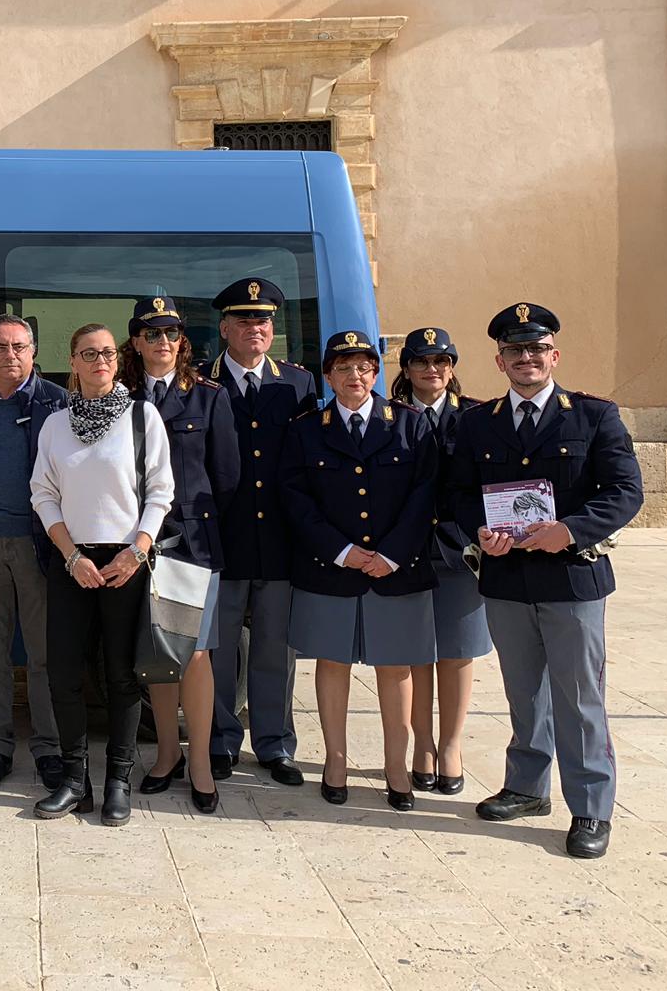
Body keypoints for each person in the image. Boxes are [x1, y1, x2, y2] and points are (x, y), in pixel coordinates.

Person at [452, 303, 643, 859]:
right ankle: (527, 788)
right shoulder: (477, 423)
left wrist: (571, 530)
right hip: (507, 579)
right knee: (524, 691)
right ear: (500, 361)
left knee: (579, 697)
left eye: (536, 349)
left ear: (554, 356)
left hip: (571, 579)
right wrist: (480, 528)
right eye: (515, 350)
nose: (526, 358)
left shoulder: (593, 416)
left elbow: (625, 491)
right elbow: (458, 492)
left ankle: (591, 807)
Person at [281, 330, 439, 809]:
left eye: (364, 367)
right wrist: (342, 550)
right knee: (333, 663)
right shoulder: (307, 429)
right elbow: (296, 500)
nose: (355, 375)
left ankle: (396, 766)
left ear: (376, 373)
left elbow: (425, 495)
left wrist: (391, 554)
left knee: (396, 666)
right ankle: (335, 760)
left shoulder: (410, 425)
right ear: (328, 377)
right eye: (344, 367)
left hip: (397, 569)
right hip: (331, 568)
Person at [31, 324, 173, 826]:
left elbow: (160, 492)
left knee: (122, 676)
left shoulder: (142, 416)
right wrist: (71, 556)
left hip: (125, 563)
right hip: (73, 562)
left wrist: (136, 552)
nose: (100, 362)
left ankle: (118, 780)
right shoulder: (55, 424)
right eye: (89, 354)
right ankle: (75, 781)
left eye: (108, 353)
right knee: (64, 673)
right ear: (72, 361)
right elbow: (43, 494)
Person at [121, 296, 239, 815]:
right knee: (156, 654)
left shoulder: (209, 397)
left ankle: (201, 764)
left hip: (191, 543)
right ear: (136, 342)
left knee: (195, 654)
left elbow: (228, 478)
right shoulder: (120, 398)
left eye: (171, 333)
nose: (163, 342)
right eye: (152, 334)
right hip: (135, 544)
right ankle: (167, 753)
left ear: (182, 341)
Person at [201, 277, 318, 785]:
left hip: (280, 539)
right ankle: (220, 741)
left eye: (264, 319)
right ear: (225, 327)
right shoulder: (200, 383)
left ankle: (275, 744)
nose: (256, 327)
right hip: (222, 539)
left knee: (276, 648)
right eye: (245, 319)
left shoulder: (297, 384)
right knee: (220, 649)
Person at [0, 313, 69, 792]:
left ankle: (48, 748)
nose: (11, 355)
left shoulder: (58, 403)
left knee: (44, 653)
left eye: (19, 346)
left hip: (39, 545)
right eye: (0, 347)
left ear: (34, 352)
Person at [391, 326, 491, 795]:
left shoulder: (477, 417)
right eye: (421, 361)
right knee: (414, 653)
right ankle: (423, 745)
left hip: (460, 551)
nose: (432, 369)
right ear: (406, 368)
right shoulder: (389, 416)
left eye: (441, 361)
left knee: (456, 652)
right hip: (405, 551)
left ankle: (451, 746)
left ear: (452, 369)